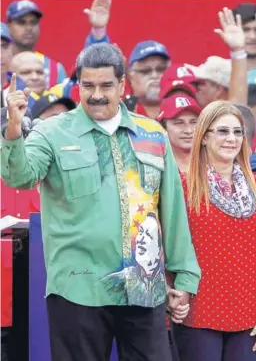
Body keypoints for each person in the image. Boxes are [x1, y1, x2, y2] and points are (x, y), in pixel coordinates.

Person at [1, 43, 201, 361]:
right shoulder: (51, 132)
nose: (97, 94)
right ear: (78, 84)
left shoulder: (152, 133)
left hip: (143, 287)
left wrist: (184, 277)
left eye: (106, 85)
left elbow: (172, 212)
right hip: (78, 288)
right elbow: (19, 176)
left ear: (122, 85)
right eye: (88, 85)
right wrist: (12, 131)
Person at [174, 100, 256, 361]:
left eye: (238, 132)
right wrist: (172, 294)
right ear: (203, 137)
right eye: (222, 131)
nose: (231, 139)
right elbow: (172, 248)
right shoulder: (184, 186)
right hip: (198, 314)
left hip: (252, 318)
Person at [6, 0, 66, 88]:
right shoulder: (3, 64)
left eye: (33, 22)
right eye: (21, 22)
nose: (29, 27)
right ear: (9, 26)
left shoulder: (54, 69)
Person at [157, 94, 202, 173]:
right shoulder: (155, 167)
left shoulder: (213, 164)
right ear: (163, 127)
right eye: (179, 123)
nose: (188, 130)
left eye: (194, 122)